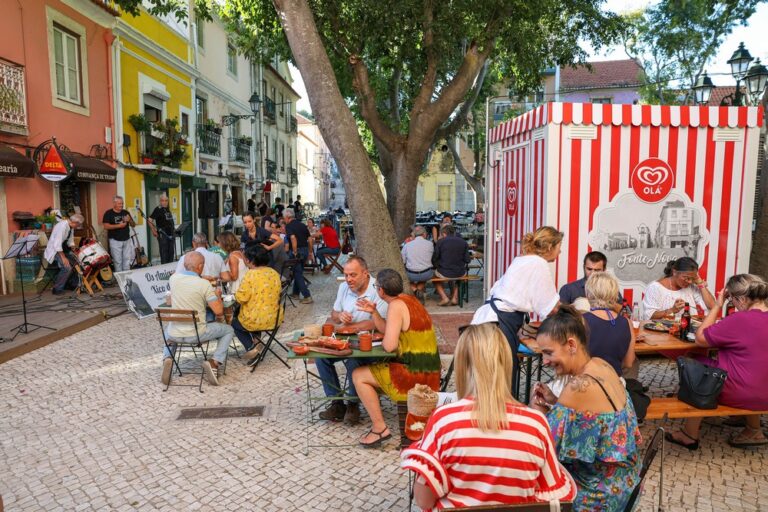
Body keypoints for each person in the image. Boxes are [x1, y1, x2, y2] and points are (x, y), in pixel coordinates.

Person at [402, 323, 576, 509]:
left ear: (462, 365)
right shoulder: (536, 424)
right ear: (506, 362)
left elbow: (424, 500)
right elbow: (557, 495)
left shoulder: (443, 420)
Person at [530, 306, 641, 511]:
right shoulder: (601, 364)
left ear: (571, 344)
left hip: (601, 493)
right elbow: (589, 414)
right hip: (628, 480)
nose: (544, 361)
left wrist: (536, 410)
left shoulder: (577, 387)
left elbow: (543, 446)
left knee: (532, 489)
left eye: (548, 353)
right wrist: (554, 400)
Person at [665, 274, 768, 450]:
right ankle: (753, 429)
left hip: (744, 394)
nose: (733, 305)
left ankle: (689, 434)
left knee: (694, 364)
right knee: (752, 368)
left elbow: (700, 339)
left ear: (741, 299)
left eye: (732, 301)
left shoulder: (740, 319)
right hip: (763, 392)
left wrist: (717, 306)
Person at [353, 269, 441, 447]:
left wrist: (380, 339)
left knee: (358, 375)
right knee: (372, 368)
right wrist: (374, 313)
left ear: (381, 291)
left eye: (376, 286)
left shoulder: (396, 306)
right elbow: (388, 329)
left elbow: (390, 345)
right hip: (429, 370)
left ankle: (379, 428)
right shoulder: (409, 300)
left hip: (416, 376)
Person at [472, 226, 562, 390]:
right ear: (550, 247)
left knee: (486, 380)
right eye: (559, 247)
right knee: (502, 382)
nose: (560, 252)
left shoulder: (522, 259)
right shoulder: (538, 263)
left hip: (487, 319)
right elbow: (550, 309)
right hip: (498, 325)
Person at [316, 256, 388, 425]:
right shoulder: (343, 287)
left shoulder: (378, 289)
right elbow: (334, 314)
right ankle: (336, 402)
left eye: (353, 275)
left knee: (354, 359)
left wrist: (352, 327)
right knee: (321, 357)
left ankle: (353, 404)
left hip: (370, 343)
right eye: (346, 275)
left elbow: (379, 323)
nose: (349, 279)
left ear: (365, 273)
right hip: (345, 339)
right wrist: (339, 316)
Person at [161, 251, 234, 386]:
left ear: (184, 264)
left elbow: (170, 301)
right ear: (200, 266)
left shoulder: (173, 279)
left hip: (174, 334)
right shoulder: (203, 285)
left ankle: (167, 358)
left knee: (168, 329)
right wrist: (217, 295)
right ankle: (214, 363)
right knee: (229, 330)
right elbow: (218, 311)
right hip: (196, 334)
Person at [230, 245, 283, 364]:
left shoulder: (250, 274)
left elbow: (241, 298)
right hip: (274, 318)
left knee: (234, 322)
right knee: (255, 311)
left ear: (249, 260)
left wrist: (234, 295)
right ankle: (257, 340)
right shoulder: (274, 272)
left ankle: (251, 349)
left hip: (256, 320)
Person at [583, 272, 635, 376]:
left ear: (588, 294)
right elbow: (629, 363)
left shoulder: (580, 321)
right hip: (615, 383)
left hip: (587, 383)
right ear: (614, 295)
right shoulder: (627, 322)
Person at [642, 257, 716, 320]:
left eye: (693, 278)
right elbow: (649, 316)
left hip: (687, 332)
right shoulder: (655, 288)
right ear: (674, 272)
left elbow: (712, 306)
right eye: (686, 278)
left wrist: (700, 284)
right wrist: (672, 310)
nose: (690, 281)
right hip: (662, 335)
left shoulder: (690, 286)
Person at [43, 214, 84, 295]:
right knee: (67, 267)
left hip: (63, 249)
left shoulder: (70, 227)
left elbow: (70, 240)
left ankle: (72, 284)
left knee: (77, 263)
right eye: (78, 225)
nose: (78, 226)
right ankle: (57, 288)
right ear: (75, 222)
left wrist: (73, 247)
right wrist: (63, 258)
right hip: (55, 251)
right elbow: (57, 245)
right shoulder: (61, 226)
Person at [432, 224, 470, 306]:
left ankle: (444, 297)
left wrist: (437, 266)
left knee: (434, 279)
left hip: (444, 272)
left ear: (444, 234)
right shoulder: (463, 242)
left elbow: (434, 258)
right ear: (454, 233)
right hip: (459, 272)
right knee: (460, 279)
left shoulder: (440, 242)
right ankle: (455, 297)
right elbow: (467, 260)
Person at [284, 208, 312, 304]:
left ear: (287, 217)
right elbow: (310, 239)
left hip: (297, 251)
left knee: (297, 273)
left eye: (284, 218)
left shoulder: (289, 226)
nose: (284, 220)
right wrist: (310, 252)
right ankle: (295, 293)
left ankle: (307, 296)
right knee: (298, 272)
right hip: (305, 250)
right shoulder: (302, 225)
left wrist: (295, 251)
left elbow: (293, 238)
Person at [102, 195, 136, 272]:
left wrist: (130, 220)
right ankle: (120, 280)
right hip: (115, 240)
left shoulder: (125, 212)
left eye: (122, 203)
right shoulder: (108, 213)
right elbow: (106, 226)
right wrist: (119, 226)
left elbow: (133, 225)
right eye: (119, 203)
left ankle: (126, 278)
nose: (121, 205)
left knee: (127, 260)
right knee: (118, 261)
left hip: (126, 240)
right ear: (114, 203)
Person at [401, 225, 434, 301]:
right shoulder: (430, 244)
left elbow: (403, 261)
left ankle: (416, 290)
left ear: (414, 235)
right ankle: (419, 290)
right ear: (424, 234)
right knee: (427, 274)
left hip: (411, 275)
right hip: (427, 274)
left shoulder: (407, 245)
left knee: (404, 278)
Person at [148, 194, 175, 264]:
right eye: (163, 201)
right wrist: (153, 231)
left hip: (171, 233)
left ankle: (170, 268)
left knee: (171, 252)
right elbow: (149, 220)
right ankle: (165, 269)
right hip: (163, 233)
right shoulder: (158, 209)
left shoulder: (167, 209)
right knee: (164, 253)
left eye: (166, 201)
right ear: (160, 201)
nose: (165, 202)